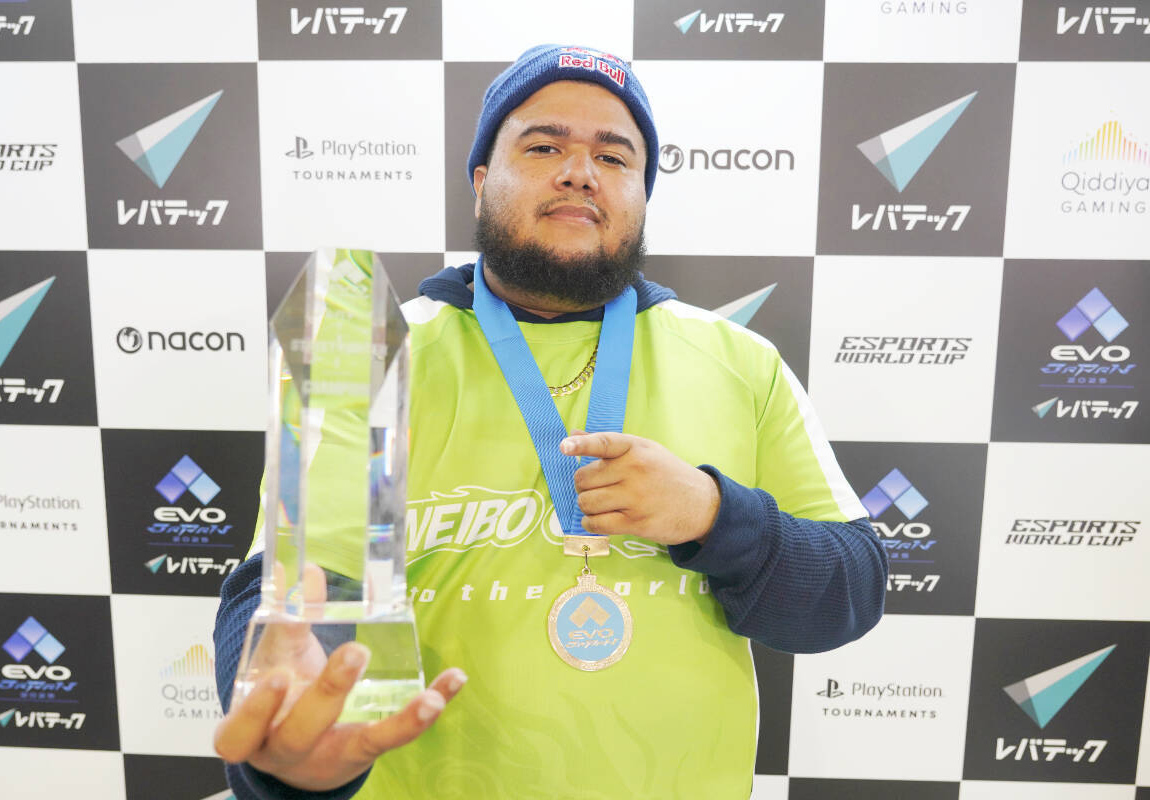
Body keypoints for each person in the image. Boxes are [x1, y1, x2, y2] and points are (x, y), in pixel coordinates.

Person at [213, 44, 887, 799]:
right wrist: (291, 747)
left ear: (641, 195)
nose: (580, 171)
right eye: (543, 147)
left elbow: (847, 596)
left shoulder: (742, 362)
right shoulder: (370, 360)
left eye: (615, 156)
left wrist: (712, 515)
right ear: (481, 182)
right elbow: (294, 600)